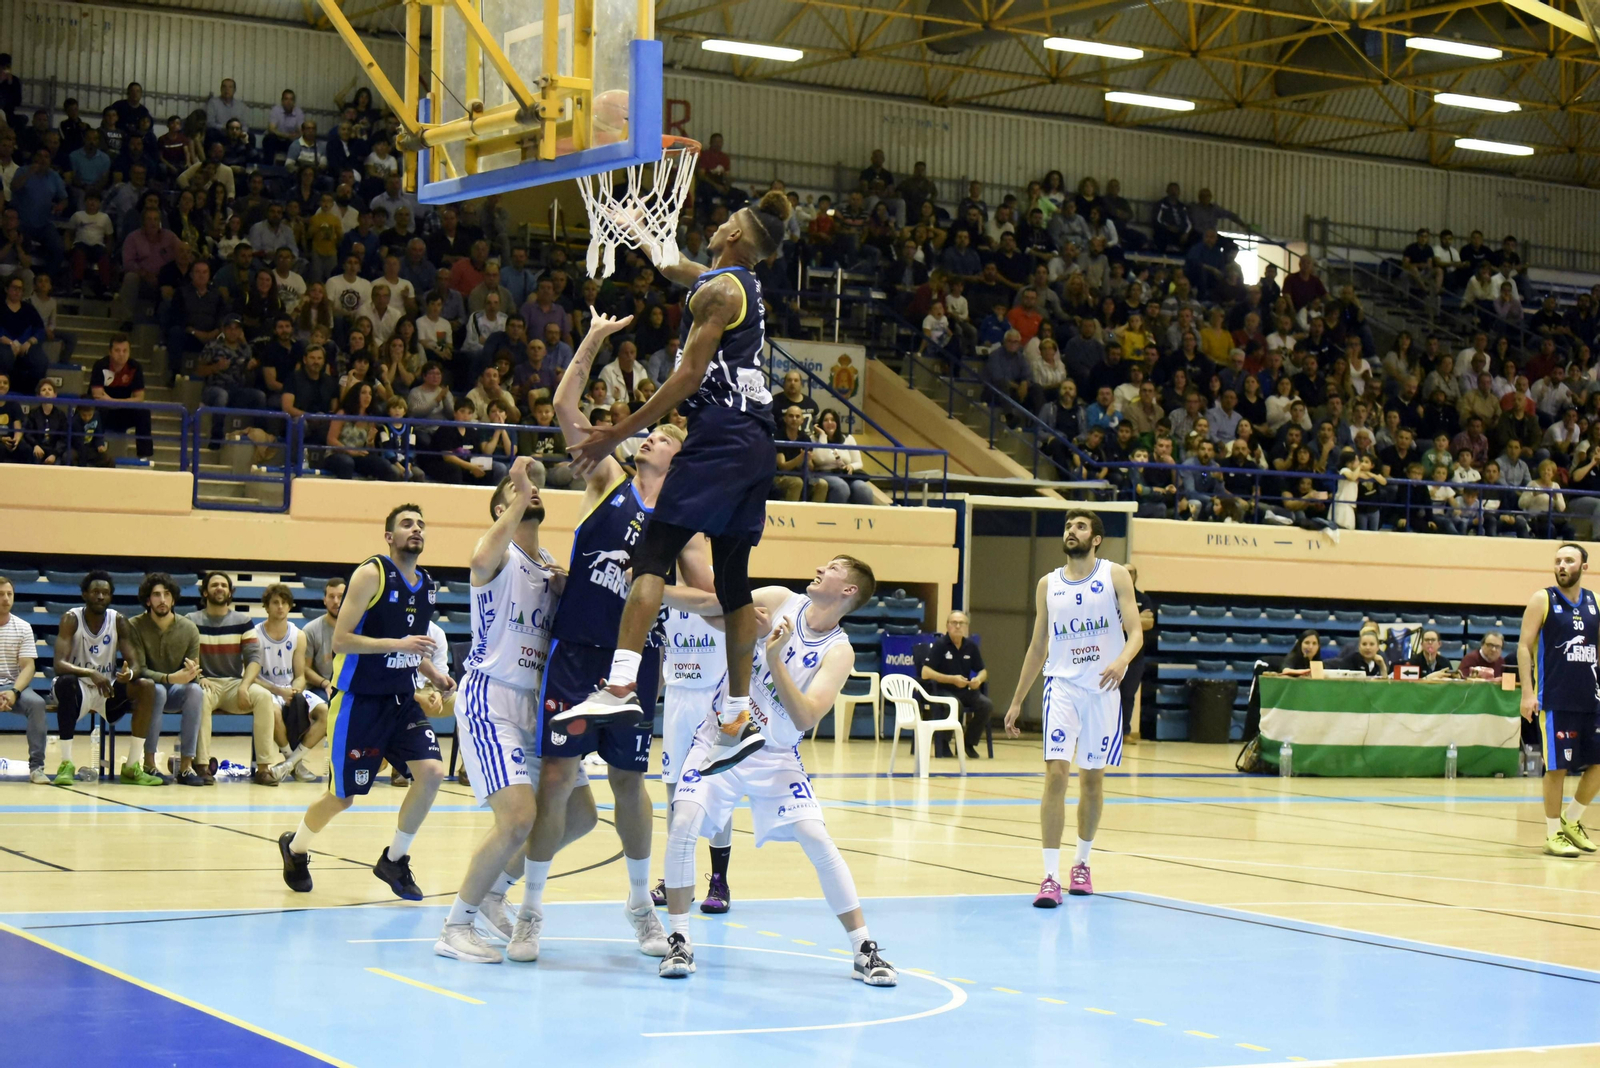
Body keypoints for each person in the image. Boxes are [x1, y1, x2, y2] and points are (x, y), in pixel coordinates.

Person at [561, 192, 795, 776]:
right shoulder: (737, 284)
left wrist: (620, 428)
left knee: (652, 558)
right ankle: (738, 717)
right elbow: (670, 265)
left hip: (722, 433)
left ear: (738, 236)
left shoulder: (720, 292)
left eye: (726, 221)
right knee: (734, 581)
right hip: (757, 441)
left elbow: (689, 375)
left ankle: (618, 688)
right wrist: (635, 224)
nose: (716, 225)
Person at [512, 313, 706, 965]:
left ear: (677, 462)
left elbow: (709, 600)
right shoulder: (608, 486)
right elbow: (565, 404)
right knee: (560, 780)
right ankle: (530, 913)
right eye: (647, 436)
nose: (646, 439)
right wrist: (592, 338)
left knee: (629, 782)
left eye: (658, 439)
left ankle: (638, 907)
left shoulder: (683, 526)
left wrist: (651, 587)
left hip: (636, 664)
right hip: (576, 656)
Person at [656, 556, 897, 987]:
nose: (822, 566)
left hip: (776, 755)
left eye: (835, 567)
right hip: (722, 735)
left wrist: (774, 656)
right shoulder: (781, 599)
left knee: (817, 837)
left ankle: (863, 947)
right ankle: (679, 938)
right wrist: (651, 589)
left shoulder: (839, 651)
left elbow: (805, 717)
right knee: (684, 822)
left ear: (848, 591)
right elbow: (717, 610)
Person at [437, 459, 596, 963]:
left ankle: (493, 891)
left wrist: (566, 590)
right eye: (516, 492)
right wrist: (517, 495)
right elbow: (480, 557)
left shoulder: (549, 564)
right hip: (493, 696)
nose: (531, 494)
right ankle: (454, 928)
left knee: (579, 816)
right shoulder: (497, 553)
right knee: (517, 819)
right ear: (503, 508)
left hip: (537, 703)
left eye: (533, 490)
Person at [277, 505, 457, 897]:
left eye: (421, 524)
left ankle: (394, 859)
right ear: (389, 536)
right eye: (407, 524)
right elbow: (341, 640)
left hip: (401, 700)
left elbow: (413, 647)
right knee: (343, 797)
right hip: (360, 701)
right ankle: (295, 848)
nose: (416, 529)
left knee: (431, 772)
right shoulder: (371, 573)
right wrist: (400, 645)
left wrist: (435, 674)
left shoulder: (426, 584)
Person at [1004, 510, 1144, 904]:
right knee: (1056, 776)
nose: (1072, 531)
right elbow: (1037, 647)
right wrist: (1016, 699)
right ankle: (1049, 876)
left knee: (1092, 781)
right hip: (1061, 687)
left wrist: (1121, 661)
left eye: (1080, 526)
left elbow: (1135, 634)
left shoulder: (1115, 575)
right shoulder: (1048, 584)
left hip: (1102, 689)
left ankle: (1081, 863)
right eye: (1068, 526)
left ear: (1096, 538)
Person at [651, 566, 736, 912]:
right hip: (677, 699)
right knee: (673, 791)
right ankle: (676, 879)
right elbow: (659, 655)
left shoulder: (723, 591)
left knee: (717, 790)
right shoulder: (663, 594)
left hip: (715, 698)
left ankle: (719, 881)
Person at [1518, 544, 1600, 859]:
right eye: (1558, 561)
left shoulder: (1594, 602)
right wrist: (1527, 692)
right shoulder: (1543, 599)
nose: (1562, 565)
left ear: (1584, 566)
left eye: (1569, 560)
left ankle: (1572, 819)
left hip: (1591, 698)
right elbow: (1524, 646)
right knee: (1558, 767)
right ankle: (1553, 833)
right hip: (1555, 698)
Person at [50, 571, 159, 786]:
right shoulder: (71, 618)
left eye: (105, 593)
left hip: (105, 690)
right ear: (84, 594)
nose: (100, 596)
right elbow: (59, 665)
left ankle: (131, 766)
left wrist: (129, 674)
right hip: (76, 687)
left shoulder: (118, 620)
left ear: (110, 597)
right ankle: (66, 763)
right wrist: (90, 672)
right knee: (66, 682)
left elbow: (136, 664)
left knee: (146, 686)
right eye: (95, 592)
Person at [126, 572, 208, 786]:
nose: (162, 600)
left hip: (175, 689)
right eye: (156, 595)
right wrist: (170, 678)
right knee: (157, 690)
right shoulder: (134, 625)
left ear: (173, 599)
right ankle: (149, 763)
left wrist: (191, 673)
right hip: (143, 690)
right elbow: (140, 669)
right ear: (147, 600)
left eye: (167, 594)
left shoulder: (189, 628)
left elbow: (193, 670)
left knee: (196, 691)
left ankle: (186, 767)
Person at [251, 585, 325, 784]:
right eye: (275, 602)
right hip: (266, 689)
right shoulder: (255, 635)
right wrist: (278, 691)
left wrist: (295, 690)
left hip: (289, 688)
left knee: (326, 712)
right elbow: (252, 677)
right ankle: (295, 764)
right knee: (272, 712)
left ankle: (288, 765)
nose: (280, 607)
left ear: (290, 606)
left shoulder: (298, 635)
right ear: (266, 607)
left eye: (284, 603)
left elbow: (300, 675)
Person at [919, 610, 991, 760]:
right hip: (942, 689)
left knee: (986, 705)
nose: (958, 626)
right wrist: (951, 679)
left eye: (961, 623)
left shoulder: (971, 646)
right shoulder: (940, 645)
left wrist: (978, 679)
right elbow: (925, 672)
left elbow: (983, 670)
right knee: (954, 704)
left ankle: (967, 743)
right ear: (947, 625)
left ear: (966, 626)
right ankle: (944, 742)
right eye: (954, 623)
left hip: (965, 690)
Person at [0, 575, 49, 784]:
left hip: (14, 687)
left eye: (9, 594)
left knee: (37, 704)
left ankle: (36, 768)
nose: (5, 598)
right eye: (1, 594)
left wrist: (14, 692)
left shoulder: (23, 627)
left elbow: (28, 666)